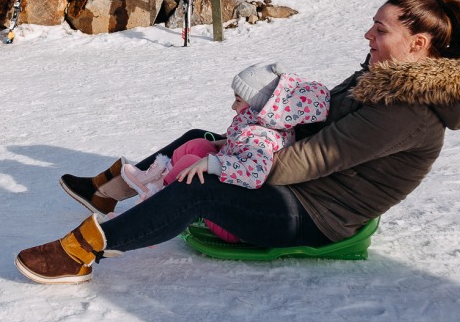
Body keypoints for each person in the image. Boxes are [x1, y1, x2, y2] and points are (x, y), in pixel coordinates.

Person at [15, 0, 460, 284]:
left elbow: (305, 160)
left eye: (380, 29)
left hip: (315, 214)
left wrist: (227, 166)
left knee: (202, 187)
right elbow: (320, 114)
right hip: (303, 187)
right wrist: (263, 106)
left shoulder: (407, 110)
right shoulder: (382, 73)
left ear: (419, 44)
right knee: (200, 137)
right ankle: (110, 192)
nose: (368, 35)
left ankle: (82, 253)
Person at [119, 62, 330, 243]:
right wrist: (226, 145)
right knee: (198, 145)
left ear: (259, 105)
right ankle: (154, 180)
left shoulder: (260, 136)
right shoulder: (259, 123)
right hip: (232, 189)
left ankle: (152, 204)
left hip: (231, 221)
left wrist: (212, 164)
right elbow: (242, 149)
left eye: (238, 100)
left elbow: (254, 172)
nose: (232, 106)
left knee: (193, 161)